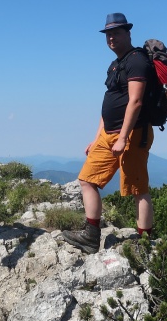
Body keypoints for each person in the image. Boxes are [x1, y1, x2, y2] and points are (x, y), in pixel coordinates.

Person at [63, 13, 155, 254]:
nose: (111, 38)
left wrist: (123, 137)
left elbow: (135, 101)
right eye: (108, 34)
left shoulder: (137, 61)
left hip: (133, 133)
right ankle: (91, 236)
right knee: (87, 180)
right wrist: (97, 138)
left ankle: (144, 242)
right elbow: (111, 101)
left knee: (138, 188)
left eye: (116, 33)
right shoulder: (115, 64)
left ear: (128, 33)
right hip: (108, 134)